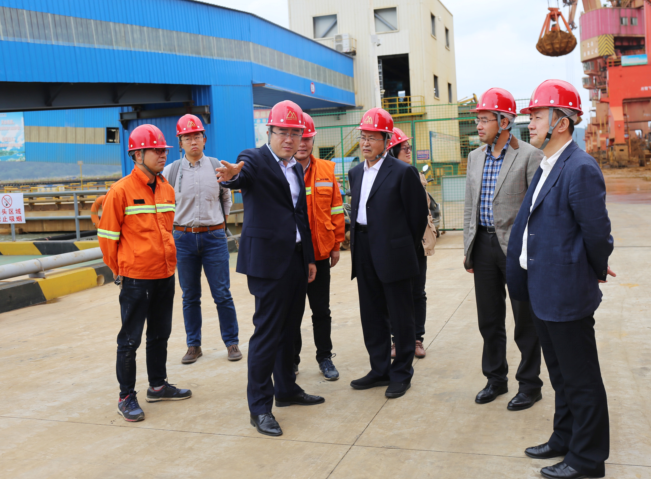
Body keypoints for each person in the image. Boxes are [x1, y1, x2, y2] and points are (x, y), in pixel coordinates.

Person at [506, 80, 614, 479]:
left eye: (537, 116)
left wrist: (592, 268)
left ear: (562, 122)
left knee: (581, 379)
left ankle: (587, 459)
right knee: (561, 375)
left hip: (566, 292)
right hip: (543, 290)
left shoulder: (580, 167)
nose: (530, 123)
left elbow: (597, 234)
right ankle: (564, 437)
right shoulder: (548, 164)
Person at [215, 100, 322, 437]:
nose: (289, 139)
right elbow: (241, 173)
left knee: (290, 330)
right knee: (267, 333)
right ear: (269, 132)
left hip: (295, 259)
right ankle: (259, 407)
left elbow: (299, 214)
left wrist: (308, 258)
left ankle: (286, 389)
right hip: (267, 263)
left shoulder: (296, 168)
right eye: (282, 132)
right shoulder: (255, 159)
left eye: (295, 133)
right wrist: (232, 176)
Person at [98, 124, 192, 423]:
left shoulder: (166, 189)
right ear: (137, 154)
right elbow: (107, 238)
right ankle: (126, 396)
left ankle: (158, 385)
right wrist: (121, 270)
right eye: (156, 150)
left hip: (165, 274)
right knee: (130, 339)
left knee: (160, 334)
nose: (163, 155)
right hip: (137, 278)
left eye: (164, 150)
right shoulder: (121, 191)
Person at [462, 88, 545, 411]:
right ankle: (495, 379)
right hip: (483, 247)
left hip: (515, 248)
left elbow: (537, 208)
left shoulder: (529, 156)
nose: (479, 126)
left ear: (505, 122)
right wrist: (469, 249)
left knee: (524, 319)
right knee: (489, 318)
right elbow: (470, 206)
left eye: (485, 119)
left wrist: (532, 252)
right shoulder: (474, 158)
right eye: (478, 120)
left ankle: (530, 385)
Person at [347, 108, 428, 399]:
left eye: (372, 138)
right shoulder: (355, 173)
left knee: (400, 315)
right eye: (363, 137)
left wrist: (400, 245)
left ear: (386, 139)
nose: (365, 143)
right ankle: (379, 369)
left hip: (393, 252)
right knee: (371, 314)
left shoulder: (403, 172)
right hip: (363, 248)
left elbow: (417, 217)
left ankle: (401, 373)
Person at [162, 114, 241, 364]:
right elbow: (164, 204)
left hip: (214, 238)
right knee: (189, 296)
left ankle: (231, 342)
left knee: (222, 293)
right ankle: (193, 345)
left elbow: (226, 199)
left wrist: (218, 226)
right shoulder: (171, 171)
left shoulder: (217, 167)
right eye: (187, 138)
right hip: (183, 239)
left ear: (204, 139)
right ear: (180, 143)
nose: (193, 141)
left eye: (196, 136)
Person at [292, 112, 345, 380]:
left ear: (313, 140)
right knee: (292, 311)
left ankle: (325, 357)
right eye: (298, 137)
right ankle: (292, 360)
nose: (302, 143)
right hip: (292, 254)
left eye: (307, 138)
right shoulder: (281, 170)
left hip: (320, 251)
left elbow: (336, 209)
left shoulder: (326, 170)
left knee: (321, 309)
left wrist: (336, 244)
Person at [386, 127, 429, 359]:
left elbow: (420, 213)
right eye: (404, 147)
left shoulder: (415, 174)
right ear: (392, 150)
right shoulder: (385, 176)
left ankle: (416, 338)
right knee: (395, 294)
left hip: (416, 244)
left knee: (417, 292)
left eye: (409, 147)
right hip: (394, 245)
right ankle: (397, 340)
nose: (409, 151)